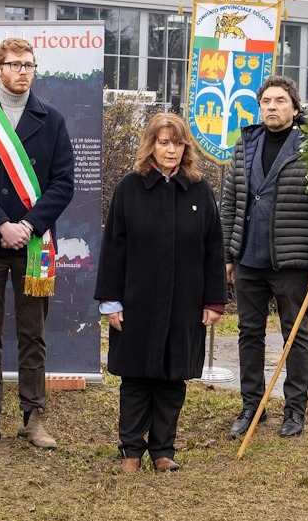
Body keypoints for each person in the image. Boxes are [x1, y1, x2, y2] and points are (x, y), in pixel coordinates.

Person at [0, 37, 74, 451]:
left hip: (35, 243)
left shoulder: (53, 119)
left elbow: (62, 184)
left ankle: (33, 415)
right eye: (15, 64)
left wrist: (27, 224)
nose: (23, 71)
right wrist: (1, 225)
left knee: (32, 332)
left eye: (29, 65)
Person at [95, 113, 226, 472]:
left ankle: (163, 451)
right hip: (137, 300)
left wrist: (214, 300)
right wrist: (110, 300)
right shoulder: (129, 187)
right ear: (151, 145)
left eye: (178, 143)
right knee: (136, 377)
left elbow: (214, 248)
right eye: (163, 142)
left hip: (185, 302)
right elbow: (114, 247)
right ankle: (131, 451)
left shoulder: (199, 191)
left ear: (186, 147)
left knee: (172, 378)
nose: (171, 150)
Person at [221, 75, 308, 440]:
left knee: (295, 335)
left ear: (295, 108)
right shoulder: (245, 144)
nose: (271, 106)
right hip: (249, 260)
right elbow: (230, 203)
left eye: (280, 100)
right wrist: (227, 255)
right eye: (266, 100)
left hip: (291, 261)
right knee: (248, 334)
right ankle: (252, 406)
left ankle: (294, 411)